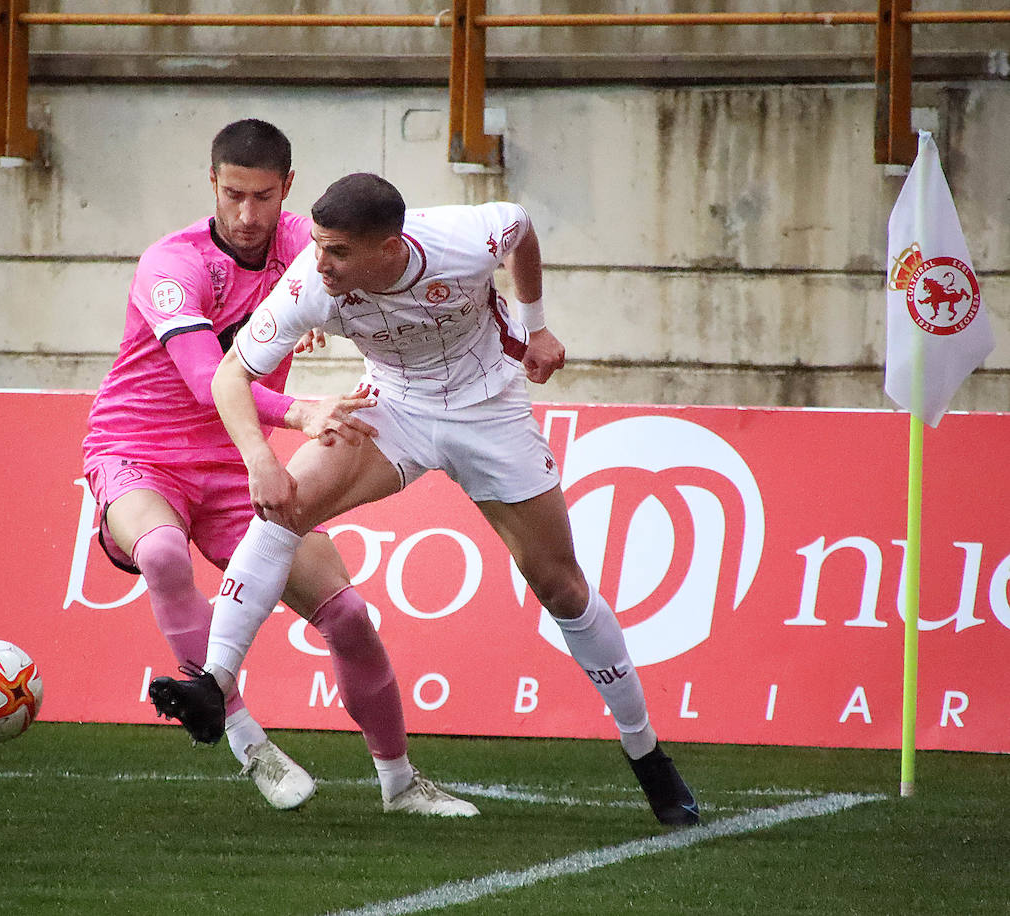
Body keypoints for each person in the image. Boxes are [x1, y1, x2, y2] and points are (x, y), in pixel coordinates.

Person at [152, 172, 701, 827]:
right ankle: (214, 682)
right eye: (318, 246)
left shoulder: (463, 239)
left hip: (489, 411)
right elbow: (229, 375)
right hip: (393, 408)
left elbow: (521, 227)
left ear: (390, 248)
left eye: (338, 252)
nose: (319, 262)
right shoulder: (307, 283)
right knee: (283, 504)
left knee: (561, 586)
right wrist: (261, 459)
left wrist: (537, 325)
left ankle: (647, 754)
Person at [86, 123, 475, 816]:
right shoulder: (170, 266)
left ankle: (400, 784)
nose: (245, 214)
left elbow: (385, 268)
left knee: (349, 615)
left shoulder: (306, 245)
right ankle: (246, 740)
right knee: (165, 553)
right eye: (232, 194)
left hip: (237, 464)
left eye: (261, 196)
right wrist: (299, 414)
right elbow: (211, 376)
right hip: (140, 451)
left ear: (286, 189)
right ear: (211, 184)